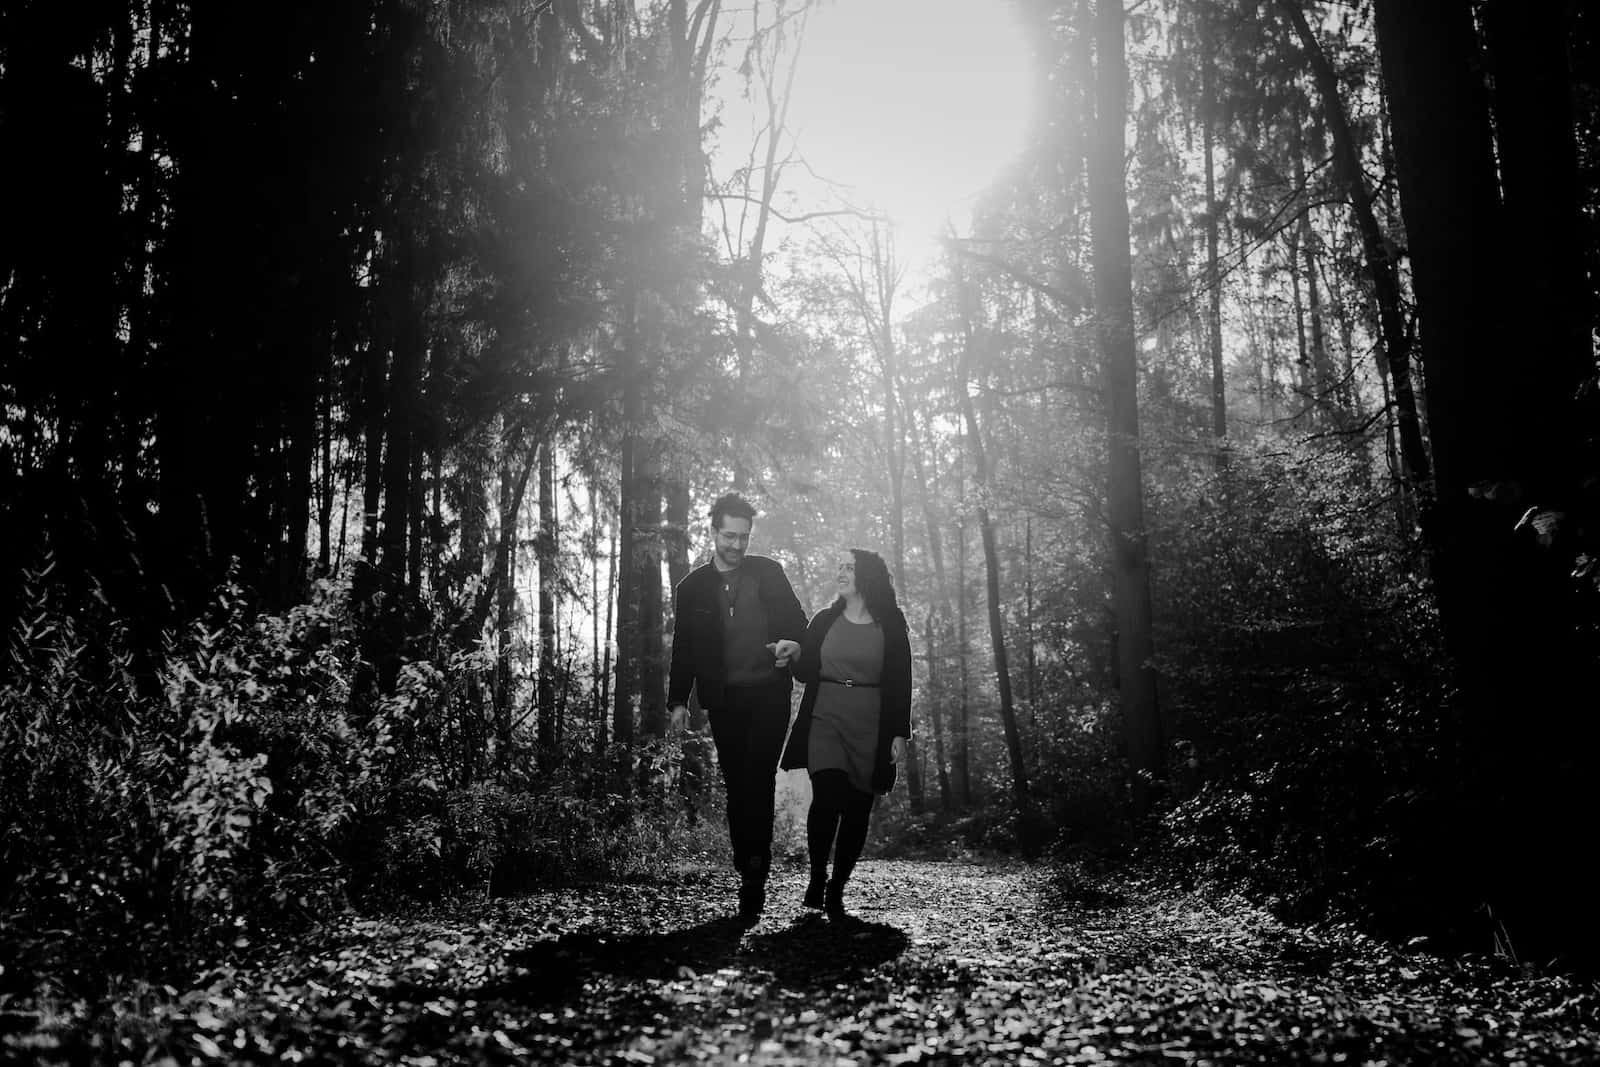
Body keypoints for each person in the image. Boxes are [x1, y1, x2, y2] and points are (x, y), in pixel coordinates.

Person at [668, 492, 807, 924]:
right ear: (712, 532)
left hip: (769, 693)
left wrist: (794, 646)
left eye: (743, 537)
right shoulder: (691, 588)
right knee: (736, 782)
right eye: (729, 535)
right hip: (724, 700)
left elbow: (798, 626)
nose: (736, 545)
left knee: (758, 777)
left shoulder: (769, 573)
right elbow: (684, 649)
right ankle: (744, 856)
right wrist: (677, 701)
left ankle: (756, 869)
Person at [779, 548, 911, 919]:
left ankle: (837, 888)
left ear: (866, 575)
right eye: (838, 566)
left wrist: (899, 732)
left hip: (871, 720)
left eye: (849, 568)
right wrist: (792, 651)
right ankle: (817, 876)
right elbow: (805, 671)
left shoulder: (891, 623)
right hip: (826, 715)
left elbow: (901, 680)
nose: (841, 572)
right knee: (828, 793)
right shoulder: (824, 620)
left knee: (857, 809)